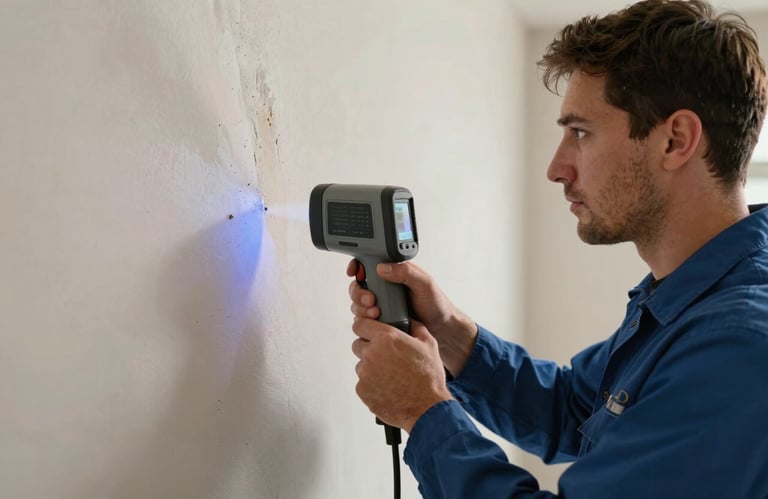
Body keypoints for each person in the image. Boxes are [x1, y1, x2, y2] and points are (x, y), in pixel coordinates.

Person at [346, 0, 768, 497]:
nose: (556, 168)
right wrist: (453, 335)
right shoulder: (688, 300)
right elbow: (573, 408)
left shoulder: (736, 346)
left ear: (675, 140)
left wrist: (424, 411)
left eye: (580, 133)